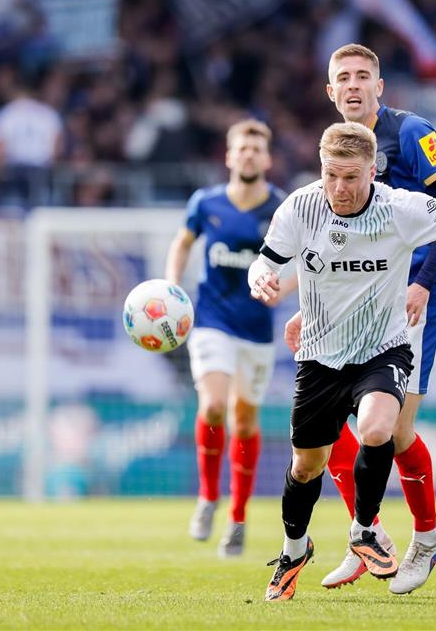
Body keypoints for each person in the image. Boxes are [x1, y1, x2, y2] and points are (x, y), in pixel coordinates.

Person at [249, 122, 436, 601]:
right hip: (320, 355)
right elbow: (266, 261)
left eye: (351, 177)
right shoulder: (300, 207)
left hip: (383, 348)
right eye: (330, 176)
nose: (339, 189)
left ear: (373, 171)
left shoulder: (401, 208)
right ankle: (293, 551)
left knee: (379, 429)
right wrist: (259, 279)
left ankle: (364, 531)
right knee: (306, 466)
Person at [286, 42, 436, 594]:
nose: (353, 85)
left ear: (379, 86)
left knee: (394, 427)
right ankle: (367, 537)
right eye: (343, 77)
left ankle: (428, 539)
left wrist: (422, 282)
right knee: (330, 426)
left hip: (418, 299)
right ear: (330, 91)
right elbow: (327, 242)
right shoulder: (337, 151)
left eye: (363, 76)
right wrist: (305, 308)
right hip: (353, 306)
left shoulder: (411, 133)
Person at [165, 119, 287, 558]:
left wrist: (281, 291)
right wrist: (172, 287)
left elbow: (300, 264)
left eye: (257, 148)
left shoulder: (281, 208)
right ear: (229, 156)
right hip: (211, 321)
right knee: (213, 405)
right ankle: (206, 496)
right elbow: (182, 244)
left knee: (245, 421)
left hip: (256, 330)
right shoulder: (207, 202)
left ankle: (237, 517)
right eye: (243, 147)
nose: (249, 154)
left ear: (268, 159)